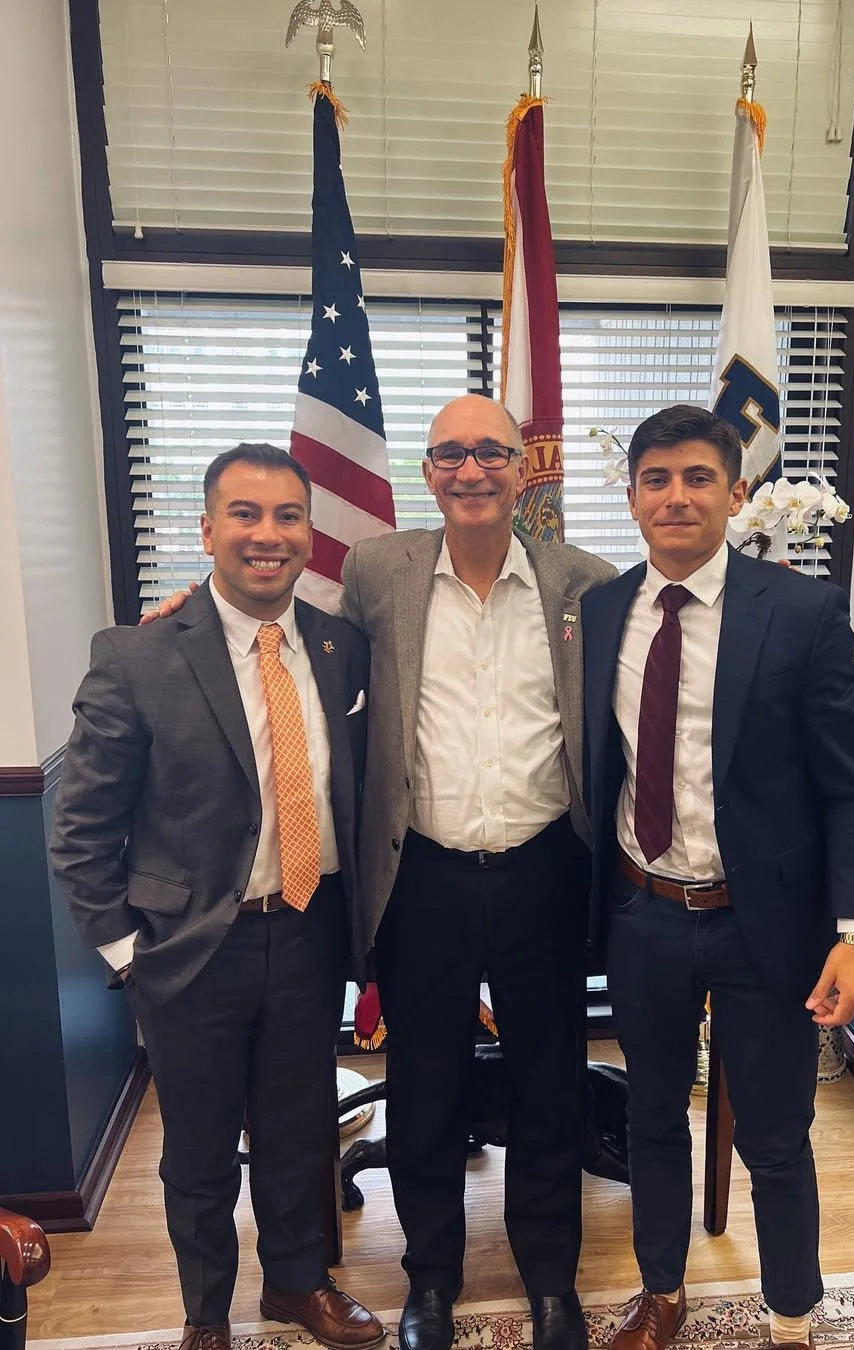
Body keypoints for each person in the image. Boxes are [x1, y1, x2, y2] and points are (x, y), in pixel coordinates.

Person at [50, 444, 382, 1350]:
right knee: (198, 1152)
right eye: (245, 513)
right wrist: (130, 955)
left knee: (297, 1131)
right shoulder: (137, 655)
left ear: (309, 533)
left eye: (287, 516)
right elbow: (81, 829)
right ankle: (206, 1314)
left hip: (309, 932)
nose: (267, 535)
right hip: (190, 949)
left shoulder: (340, 648)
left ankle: (298, 1285)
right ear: (207, 530)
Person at [581, 405, 854, 1350]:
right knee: (652, 1117)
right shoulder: (600, 612)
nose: (676, 497)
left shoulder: (799, 613)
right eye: (657, 479)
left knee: (775, 1136)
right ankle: (661, 1292)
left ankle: (791, 1315)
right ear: (631, 496)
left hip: (768, 924)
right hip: (643, 910)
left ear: (737, 493)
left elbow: (851, 783)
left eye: (698, 478)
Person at [340, 394, 615, 1350]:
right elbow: (302, 645)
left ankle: (550, 1279)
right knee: (426, 1084)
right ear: (426, 472)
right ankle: (430, 1279)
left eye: (491, 452)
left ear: (522, 468)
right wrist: (184, 608)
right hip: (423, 874)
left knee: (550, 1080)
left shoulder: (586, 583)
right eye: (450, 454)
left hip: (546, 868)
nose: (471, 470)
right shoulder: (377, 571)